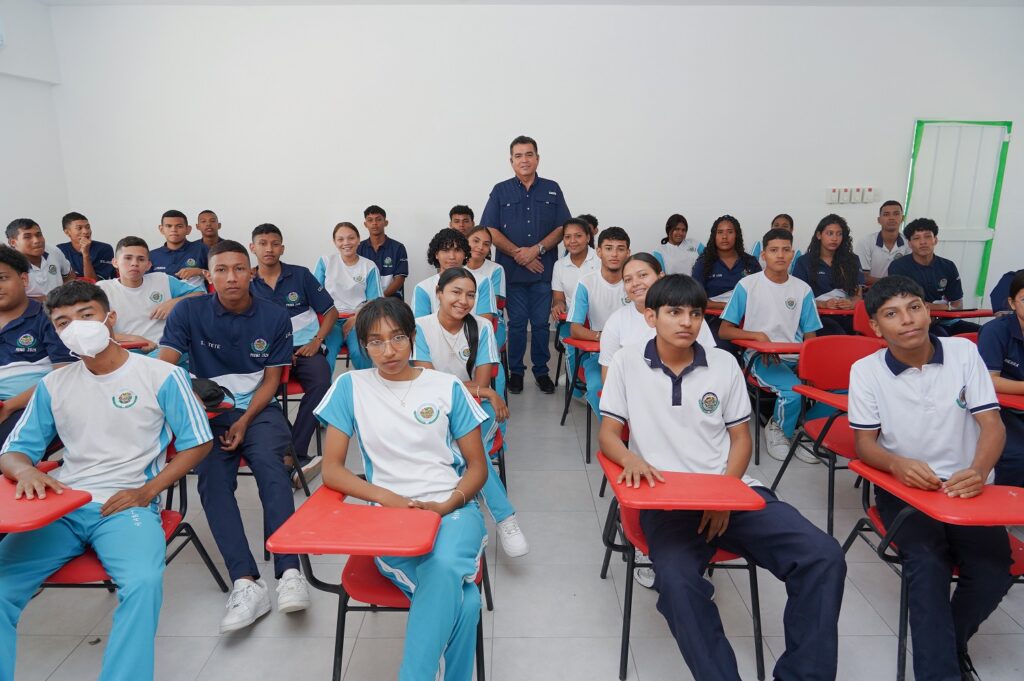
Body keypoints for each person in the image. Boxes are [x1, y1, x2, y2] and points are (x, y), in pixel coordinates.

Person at [598, 274, 846, 681]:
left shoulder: (723, 363)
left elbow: (741, 440)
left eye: (695, 314)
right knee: (676, 584)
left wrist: (724, 496)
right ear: (650, 316)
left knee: (822, 555)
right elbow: (608, 433)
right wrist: (630, 458)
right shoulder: (627, 361)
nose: (686, 322)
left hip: (733, 491)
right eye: (674, 312)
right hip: (666, 500)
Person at [0, 280, 214, 681]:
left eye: (86, 316)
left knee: (143, 583)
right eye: (63, 322)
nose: (76, 327)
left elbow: (198, 443)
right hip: (63, 503)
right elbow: (12, 451)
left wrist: (147, 492)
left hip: (125, 504)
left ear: (109, 318)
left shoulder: (161, 376)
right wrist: (26, 469)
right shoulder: (53, 385)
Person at [315, 297, 489, 681]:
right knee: (468, 601)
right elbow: (331, 470)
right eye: (375, 341)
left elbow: (477, 467)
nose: (388, 350)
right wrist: (390, 500)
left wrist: (446, 505)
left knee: (444, 565)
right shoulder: (350, 386)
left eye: (397, 337)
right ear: (362, 346)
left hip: (454, 510)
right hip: (390, 520)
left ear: (413, 337)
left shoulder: (446, 386)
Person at [849, 275, 1010, 681]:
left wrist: (977, 470)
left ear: (928, 309)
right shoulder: (866, 371)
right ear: (875, 326)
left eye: (914, 307)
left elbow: (992, 426)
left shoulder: (962, 353)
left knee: (994, 570)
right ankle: (940, 672)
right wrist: (896, 464)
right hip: (907, 489)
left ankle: (949, 641)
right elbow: (865, 445)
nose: (907, 320)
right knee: (926, 563)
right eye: (892, 314)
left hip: (967, 487)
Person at [159, 240, 311, 634]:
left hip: (258, 410)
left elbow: (273, 380)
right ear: (208, 276)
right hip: (208, 413)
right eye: (222, 269)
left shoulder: (275, 316)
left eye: (239, 268)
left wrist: (243, 422)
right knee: (212, 481)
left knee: (273, 470)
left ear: (252, 272)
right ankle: (245, 581)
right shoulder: (189, 311)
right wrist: (197, 402)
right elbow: (164, 370)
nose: (231, 277)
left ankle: (289, 570)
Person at [413, 267, 528, 557]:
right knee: (468, 450)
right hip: (433, 409)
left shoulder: (482, 327)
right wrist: (482, 390)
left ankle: (501, 519)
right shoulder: (420, 328)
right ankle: (505, 517)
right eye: (455, 292)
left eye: (470, 295)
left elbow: (482, 383)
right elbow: (427, 383)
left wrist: (485, 392)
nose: (463, 300)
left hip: (477, 407)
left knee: (461, 446)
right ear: (438, 293)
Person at [719, 228, 823, 461]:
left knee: (836, 389)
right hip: (761, 357)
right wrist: (756, 337)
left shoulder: (802, 289)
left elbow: (810, 335)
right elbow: (725, 331)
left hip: (796, 356)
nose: (780, 255)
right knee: (794, 392)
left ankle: (806, 431)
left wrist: (811, 365)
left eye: (786, 250)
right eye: (774, 250)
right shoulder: (748, 285)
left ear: (793, 253)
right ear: (763, 255)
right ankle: (779, 430)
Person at [480, 135, 572, 395]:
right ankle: (517, 372)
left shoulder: (552, 188)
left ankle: (541, 371)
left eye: (529, 154)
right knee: (517, 323)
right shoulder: (500, 190)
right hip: (513, 272)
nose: (524, 159)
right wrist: (519, 254)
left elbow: (562, 227)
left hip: (544, 270)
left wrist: (536, 250)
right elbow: (490, 228)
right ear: (511, 161)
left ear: (537, 158)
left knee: (542, 324)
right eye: (518, 156)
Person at [250, 223, 338, 482]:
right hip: (267, 357)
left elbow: (330, 311)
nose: (269, 248)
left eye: (274, 243)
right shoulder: (247, 281)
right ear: (252, 247)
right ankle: (288, 449)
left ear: (282, 248)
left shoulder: (300, 275)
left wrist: (317, 340)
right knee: (258, 394)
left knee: (322, 382)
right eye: (263, 243)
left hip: (304, 350)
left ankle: (295, 453)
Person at [599, 254, 715, 384]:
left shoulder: (687, 316)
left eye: (642, 275)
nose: (635, 283)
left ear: (661, 276)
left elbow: (709, 363)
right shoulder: (616, 321)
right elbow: (609, 378)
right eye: (627, 280)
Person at [0, 246, 75, 444]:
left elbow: (64, 376)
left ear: (24, 280)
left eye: (2, 278)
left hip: (36, 405)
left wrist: (9, 406)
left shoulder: (49, 319)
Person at [97, 237, 205, 357]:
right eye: (128, 258)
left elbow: (201, 295)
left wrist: (174, 303)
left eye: (141, 259)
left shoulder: (162, 279)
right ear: (115, 262)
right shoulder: (102, 289)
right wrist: (135, 339)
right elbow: (94, 329)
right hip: (125, 353)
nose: (134, 263)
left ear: (148, 265)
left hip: (167, 349)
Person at [567, 227, 632, 418]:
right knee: (596, 388)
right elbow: (575, 329)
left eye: (620, 249)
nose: (614, 254)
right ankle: (615, 435)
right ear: (599, 252)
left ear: (628, 253)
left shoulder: (635, 282)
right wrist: (604, 337)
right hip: (600, 353)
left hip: (634, 353)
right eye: (609, 248)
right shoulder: (586, 283)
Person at [888, 217, 981, 336]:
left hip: (947, 321)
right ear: (910, 244)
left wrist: (939, 308)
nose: (923, 242)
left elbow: (957, 304)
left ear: (935, 240)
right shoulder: (899, 266)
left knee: (986, 332)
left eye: (927, 236)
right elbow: (906, 304)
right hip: (916, 323)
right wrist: (943, 307)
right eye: (916, 238)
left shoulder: (948, 266)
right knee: (942, 339)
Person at [313, 222, 382, 372]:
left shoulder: (369, 266)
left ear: (358, 240)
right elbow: (313, 294)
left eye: (351, 238)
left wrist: (354, 320)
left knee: (360, 352)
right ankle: (326, 392)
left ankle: (366, 389)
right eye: (340, 239)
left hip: (358, 319)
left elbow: (375, 302)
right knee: (326, 353)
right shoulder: (325, 262)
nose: (346, 243)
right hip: (330, 319)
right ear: (335, 242)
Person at [978, 270, 1024, 486]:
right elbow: (990, 380)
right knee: (1018, 457)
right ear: (1012, 303)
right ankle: (1008, 505)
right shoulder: (995, 331)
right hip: (1000, 409)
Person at [792, 214, 864, 335]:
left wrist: (851, 304)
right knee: (837, 333)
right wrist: (823, 304)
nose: (834, 238)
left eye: (839, 234)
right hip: (817, 316)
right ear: (819, 235)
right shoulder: (804, 262)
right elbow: (799, 298)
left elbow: (858, 296)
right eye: (829, 233)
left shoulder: (852, 260)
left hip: (847, 315)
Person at [6, 218, 74, 302]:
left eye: (39, 235)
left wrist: (65, 294)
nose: (36, 241)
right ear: (13, 242)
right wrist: (49, 299)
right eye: (27, 237)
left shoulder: (53, 250)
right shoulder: (7, 264)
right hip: (29, 310)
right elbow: (9, 298)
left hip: (60, 304)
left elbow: (69, 274)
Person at [413, 228, 471, 316]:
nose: (452, 256)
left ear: (465, 254)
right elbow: (420, 326)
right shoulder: (423, 288)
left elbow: (483, 324)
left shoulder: (482, 282)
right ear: (436, 254)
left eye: (457, 250)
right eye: (446, 250)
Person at [465, 225, 506, 348]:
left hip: (490, 322)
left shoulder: (496, 269)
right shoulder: (457, 267)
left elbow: (493, 303)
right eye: (476, 241)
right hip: (458, 319)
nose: (480, 247)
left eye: (486, 244)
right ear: (466, 241)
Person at [357, 205, 409, 300]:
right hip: (365, 301)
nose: (374, 223)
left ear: (386, 222)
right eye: (370, 220)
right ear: (365, 224)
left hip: (392, 301)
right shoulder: (358, 248)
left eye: (378, 219)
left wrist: (379, 298)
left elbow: (400, 279)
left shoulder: (398, 248)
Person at [150, 210, 209, 289]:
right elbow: (144, 283)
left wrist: (200, 272)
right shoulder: (152, 256)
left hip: (195, 300)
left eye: (179, 226)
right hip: (163, 300)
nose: (173, 229)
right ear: (161, 229)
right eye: (168, 226)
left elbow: (220, 275)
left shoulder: (202, 249)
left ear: (188, 229)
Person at [855, 200, 909, 285]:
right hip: (872, 291)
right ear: (879, 220)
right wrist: (891, 283)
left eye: (896, 214)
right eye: (886, 214)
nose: (891, 218)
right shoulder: (865, 242)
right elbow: (862, 277)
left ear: (902, 218)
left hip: (901, 291)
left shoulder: (909, 243)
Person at [56, 211, 116, 281]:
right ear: (67, 232)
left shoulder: (105, 249)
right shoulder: (60, 250)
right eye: (79, 228)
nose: (86, 231)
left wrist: (86, 254)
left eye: (88, 227)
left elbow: (93, 282)